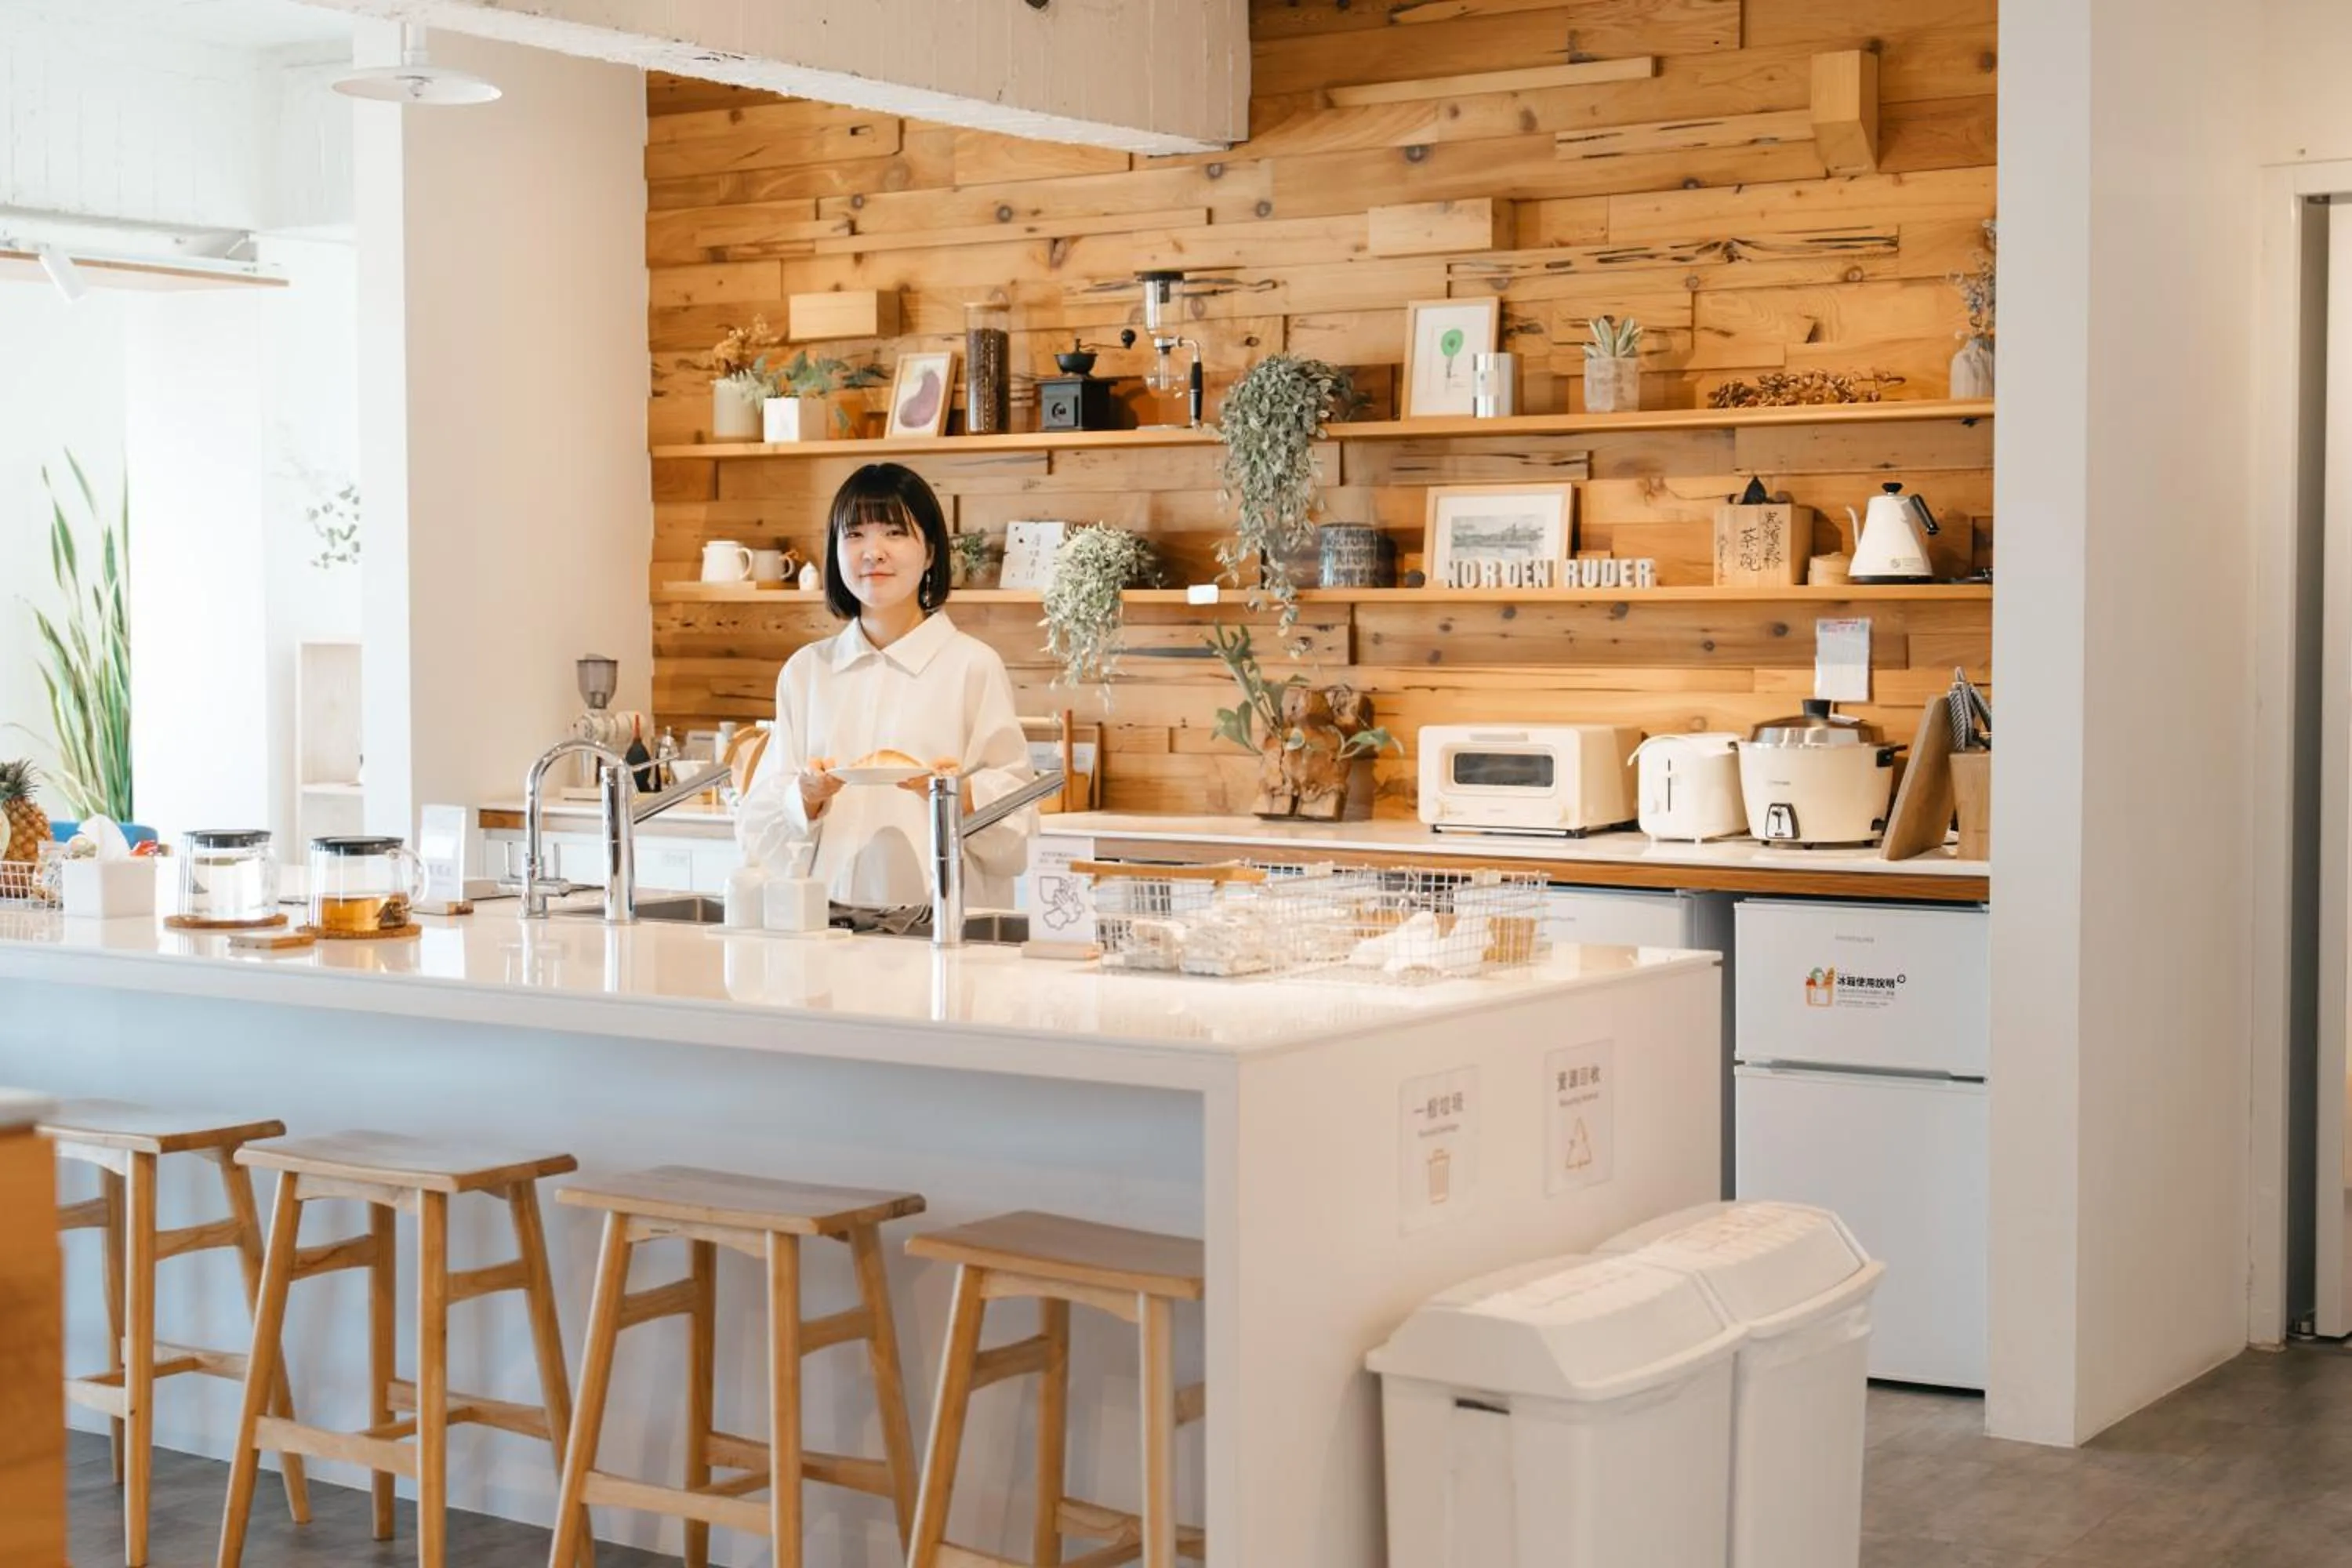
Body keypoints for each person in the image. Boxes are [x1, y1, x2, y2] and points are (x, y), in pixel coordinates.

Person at [735, 462, 1037, 910]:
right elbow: (759, 830)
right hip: (830, 926)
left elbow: (1019, 822)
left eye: (894, 533)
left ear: (931, 551)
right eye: (854, 535)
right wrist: (806, 797)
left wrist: (958, 793)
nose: (872, 552)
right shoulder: (806, 672)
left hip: (943, 927)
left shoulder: (972, 666)